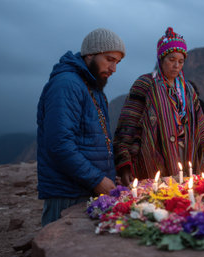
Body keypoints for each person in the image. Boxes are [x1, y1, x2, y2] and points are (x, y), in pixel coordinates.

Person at [37, 28, 125, 226]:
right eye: (109, 59)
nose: (114, 68)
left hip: (85, 189)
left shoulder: (93, 87)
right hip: (67, 194)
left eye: (117, 62)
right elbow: (59, 144)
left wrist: (108, 175)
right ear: (90, 54)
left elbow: (93, 140)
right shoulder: (66, 85)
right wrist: (97, 180)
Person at [114, 27, 204, 185]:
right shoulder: (146, 83)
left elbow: (200, 122)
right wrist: (125, 163)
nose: (176, 65)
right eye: (171, 59)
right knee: (158, 199)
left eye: (181, 61)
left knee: (184, 195)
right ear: (161, 59)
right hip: (154, 155)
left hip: (186, 154)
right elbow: (128, 124)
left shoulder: (188, 89)